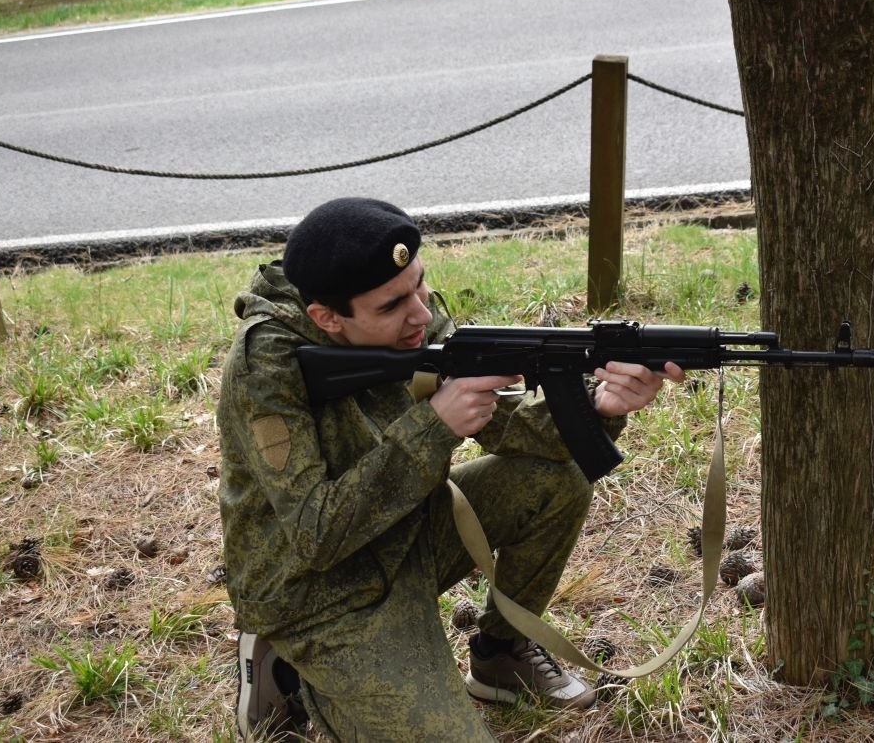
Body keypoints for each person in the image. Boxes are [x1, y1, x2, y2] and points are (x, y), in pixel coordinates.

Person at [216, 197, 683, 741]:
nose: (421, 313)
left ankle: (501, 654)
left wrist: (599, 406)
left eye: (420, 284)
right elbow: (315, 535)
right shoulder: (264, 368)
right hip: (319, 592)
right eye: (392, 306)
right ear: (327, 318)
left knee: (555, 483)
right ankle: (294, 664)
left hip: (408, 534)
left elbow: (506, 426)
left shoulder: (414, 315)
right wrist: (435, 427)